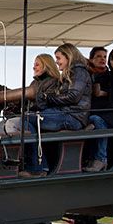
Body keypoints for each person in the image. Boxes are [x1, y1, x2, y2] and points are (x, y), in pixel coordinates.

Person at [20, 43, 92, 177]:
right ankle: (41, 164)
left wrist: (47, 97)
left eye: (59, 58)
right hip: (67, 113)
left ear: (68, 56)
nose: (57, 62)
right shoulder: (71, 73)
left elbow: (73, 97)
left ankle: (38, 166)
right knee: (27, 118)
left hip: (73, 116)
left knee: (27, 119)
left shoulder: (79, 72)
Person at [3, 54, 60, 136]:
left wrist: (26, 109)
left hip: (44, 118)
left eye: (37, 65)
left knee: (12, 123)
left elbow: (46, 103)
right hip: (32, 116)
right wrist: (15, 109)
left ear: (46, 66)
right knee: (2, 125)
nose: (34, 68)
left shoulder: (54, 82)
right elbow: (26, 102)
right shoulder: (34, 83)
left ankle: (33, 148)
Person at [88, 46, 110, 111]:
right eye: (99, 56)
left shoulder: (112, 76)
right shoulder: (85, 75)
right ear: (91, 60)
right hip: (88, 111)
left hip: (106, 111)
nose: (103, 59)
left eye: (105, 57)